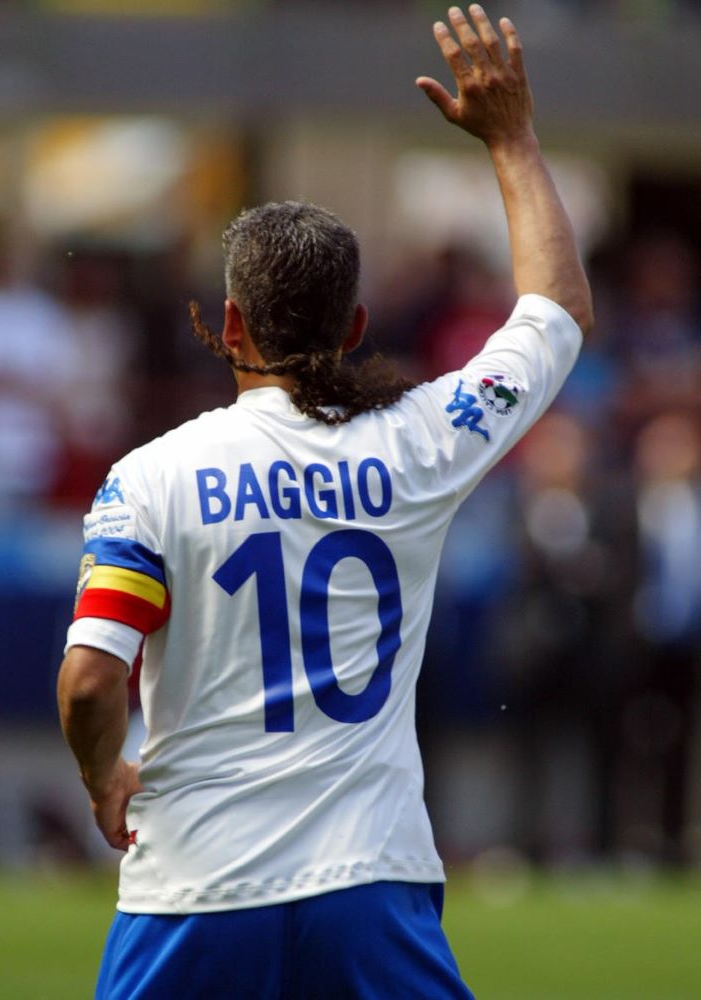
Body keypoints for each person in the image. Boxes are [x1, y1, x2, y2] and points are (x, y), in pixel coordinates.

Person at [57, 7, 592, 998]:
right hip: (368, 881)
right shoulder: (421, 442)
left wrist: (102, 780)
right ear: (352, 326)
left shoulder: (151, 475)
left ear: (229, 324)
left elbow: (91, 683)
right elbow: (555, 310)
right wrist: (512, 139)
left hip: (195, 887)